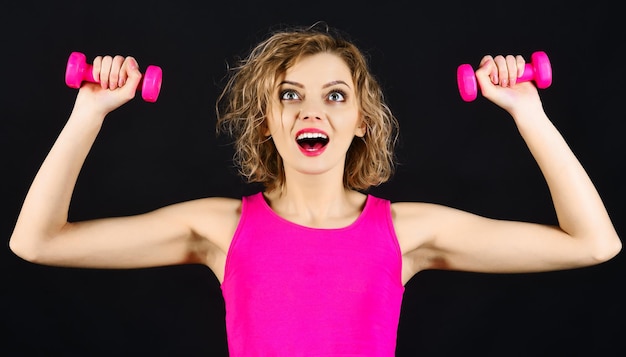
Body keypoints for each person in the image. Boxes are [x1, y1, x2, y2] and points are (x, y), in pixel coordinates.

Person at [9, 23, 621, 356]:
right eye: (289, 95)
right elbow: (36, 241)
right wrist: (88, 113)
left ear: (361, 121)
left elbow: (593, 243)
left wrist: (526, 112)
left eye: (335, 96)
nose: (312, 112)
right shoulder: (220, 228)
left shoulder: (406, 233)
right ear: (267, 120)